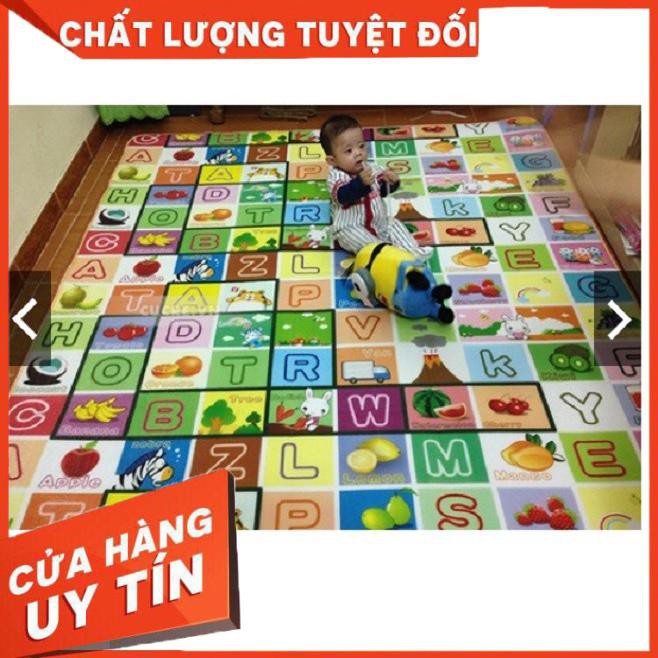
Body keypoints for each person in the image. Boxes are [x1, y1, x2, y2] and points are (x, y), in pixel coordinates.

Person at [319, 114, 427, 257]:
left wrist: (391, 182)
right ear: (333, 160)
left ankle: (413, 254)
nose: (358, 153)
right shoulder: (336, 176)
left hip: (379, 223)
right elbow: (342, 196)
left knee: (394, 224)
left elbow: (382, 191)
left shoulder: (372, 168)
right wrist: (360, 183)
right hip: (351, 226)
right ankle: (383, 255)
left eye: (361, 146)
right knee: (355, 238)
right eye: (349, 151)